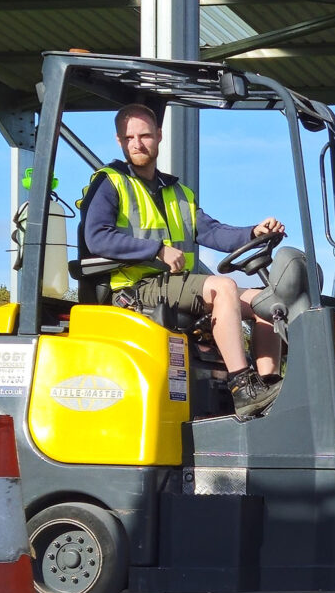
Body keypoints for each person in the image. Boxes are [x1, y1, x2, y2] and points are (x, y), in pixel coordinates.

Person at [79, 103, 286, 417]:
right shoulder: (109, 183)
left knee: (265, 302)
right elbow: (97, 237)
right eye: (129, 137)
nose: (137, 143)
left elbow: (212, 232)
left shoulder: (177, 192)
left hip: (175, 286)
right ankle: (242, 387)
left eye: (145, 135)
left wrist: (253, 232)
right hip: (134, 289)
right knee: (223, 288)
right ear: (120, 141)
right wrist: (157, 250)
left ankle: (268, 388)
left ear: (159, 136)